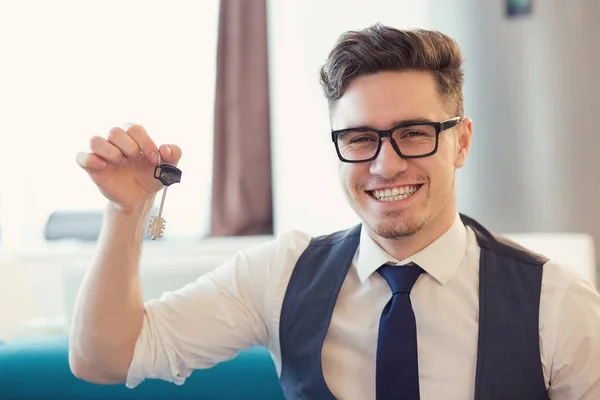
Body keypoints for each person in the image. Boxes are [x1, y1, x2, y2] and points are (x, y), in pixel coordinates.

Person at [69, 24, 600, 399]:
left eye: (414, 133)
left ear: (460, 142)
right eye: (360, 137)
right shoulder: (280, 274)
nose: (385, 165)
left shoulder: (558, 303)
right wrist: (126, 211)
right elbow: (105, 359)